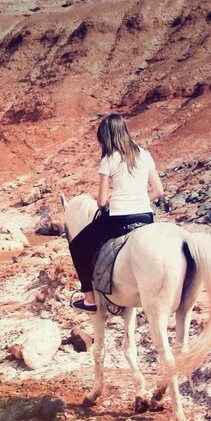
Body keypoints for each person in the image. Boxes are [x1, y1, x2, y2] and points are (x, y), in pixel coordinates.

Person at [69, 114, 164, 311]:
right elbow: (159, 190)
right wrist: (140, 200)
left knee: (77, 246)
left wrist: (108, 205)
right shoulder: (144, 154)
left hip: (120, 217)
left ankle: (89, 299)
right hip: (146, 217)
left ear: (106, 137)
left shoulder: (109, 158)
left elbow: (101, 201)